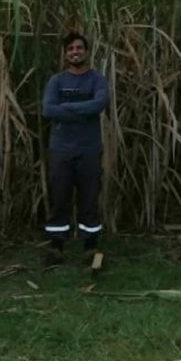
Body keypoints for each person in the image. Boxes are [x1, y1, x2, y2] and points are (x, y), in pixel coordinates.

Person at [41, 32, 109, 266]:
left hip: (89, 149)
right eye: (70, 48)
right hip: (61, 149)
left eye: (79, 47)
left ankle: (90, 246)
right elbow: (49, 110)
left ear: (86, 52)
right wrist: (83, 109)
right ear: (65, 54)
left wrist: (66, 107)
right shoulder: (56, 81)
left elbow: (99, 104)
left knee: (89, 197)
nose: (75, 51)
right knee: (59, 196)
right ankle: (56, 246)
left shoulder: (97, 80)